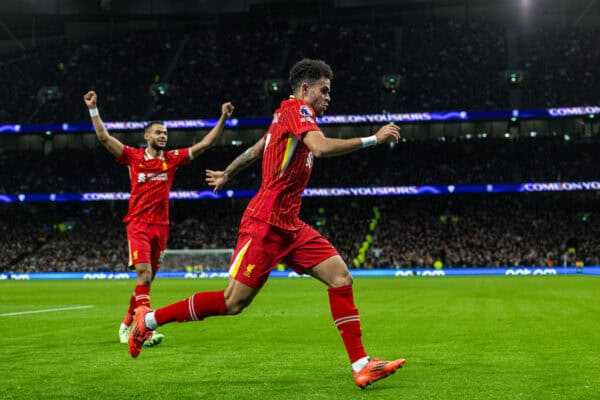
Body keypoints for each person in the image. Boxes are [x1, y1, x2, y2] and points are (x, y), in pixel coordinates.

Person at [128, 59, 404, 389]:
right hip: (265, 223)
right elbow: (319, 146)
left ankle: (362, 364)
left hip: (290, 225)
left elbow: (258, 149)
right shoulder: (297, 111)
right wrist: (373, 138)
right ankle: (146, 321)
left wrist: (228, 172)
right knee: (233, 303)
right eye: (324, 90)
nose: (329, 97)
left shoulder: (284, 117)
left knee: (341, 276)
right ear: (305, 89)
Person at [83, 90, 234, 346]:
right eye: (158, 133)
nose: (163, 136)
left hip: (161, 228)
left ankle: (125, 325)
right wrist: (93, 109)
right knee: (143, 275)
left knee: (148, 280)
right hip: (138, 225)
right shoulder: (133, 157)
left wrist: (222, 118)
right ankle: (144, 331)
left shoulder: (172, 160)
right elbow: (103, 137)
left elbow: (205, 145)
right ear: (147, 136)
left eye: (165, 133)